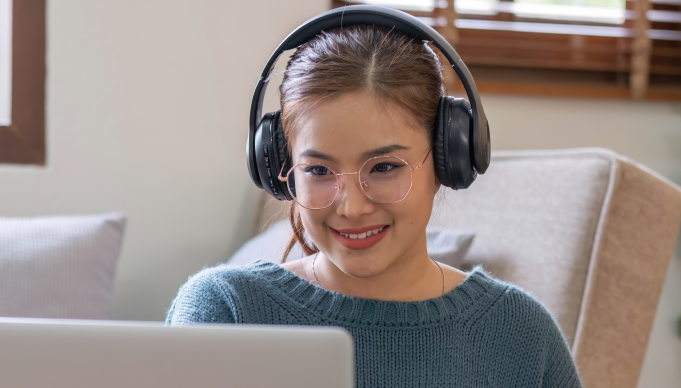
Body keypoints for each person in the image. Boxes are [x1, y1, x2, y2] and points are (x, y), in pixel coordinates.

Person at [166, 20, 582, 388]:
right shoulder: (223, 311)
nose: (352, 208)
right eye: (318, 171)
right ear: (281, 168)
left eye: (384, 167)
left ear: (446, 162)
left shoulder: (520, 333)